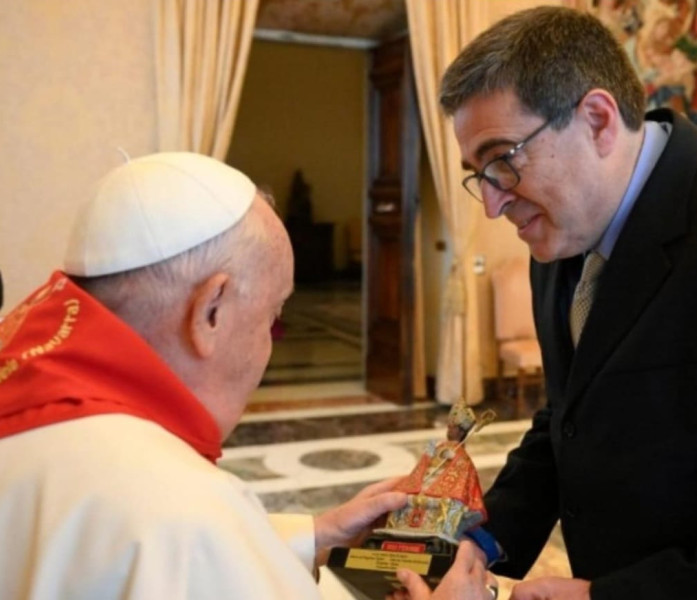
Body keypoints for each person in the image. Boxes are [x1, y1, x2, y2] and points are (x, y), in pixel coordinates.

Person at [0, 152, 494, 600]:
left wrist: (316, 535)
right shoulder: (178, 507)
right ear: (210, 312)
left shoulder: (35, 409)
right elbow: (191, 546)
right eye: (271, 318)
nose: (270, 346)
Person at [439, 6, 697, 600]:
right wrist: (481, 542)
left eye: (503, 160)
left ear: (598, 120)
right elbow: (569, 421)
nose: (493, 206)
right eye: (480, 174)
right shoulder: (559, 234)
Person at [379, 399, 492, 542]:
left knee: (446, 505)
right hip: (424, 483)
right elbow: (424, 463)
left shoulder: (462, 455)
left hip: (443, 491)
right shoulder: (440, 445)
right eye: (448, 427)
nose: (448, 430)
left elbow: (460, 475)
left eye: (452, 427)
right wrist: (428, 454)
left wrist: (455, 459)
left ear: (461, 431)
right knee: (400, 496)